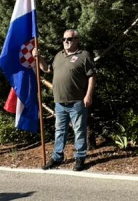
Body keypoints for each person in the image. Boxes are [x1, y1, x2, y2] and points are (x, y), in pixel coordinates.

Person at [35, 29, 96, 171]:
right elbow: (46, 69)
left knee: (79, 131)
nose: (66, 42)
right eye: (64, 39)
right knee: (59, 131)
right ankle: (57, 157)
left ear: (77, 40)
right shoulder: (59, 56)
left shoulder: (84, 55)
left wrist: (89, 95)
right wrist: (38, 57)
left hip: (77, 101)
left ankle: (80, 158)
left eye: (69, 39)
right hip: (59, 102)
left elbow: (92, 76)